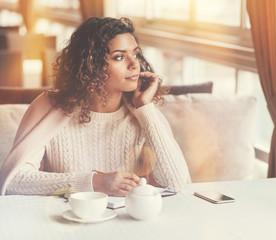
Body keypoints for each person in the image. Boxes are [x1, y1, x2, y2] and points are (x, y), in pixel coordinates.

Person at [0, 17, 191, 196]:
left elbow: (177, 183)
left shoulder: (142, 111)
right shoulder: (50, 106)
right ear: (90, 65)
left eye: (135, 54)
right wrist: (92, 182)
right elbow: (13, 180)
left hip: (127, 223)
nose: (134, 64)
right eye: (119, 57)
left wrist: (145, 109)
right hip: (66, 223)